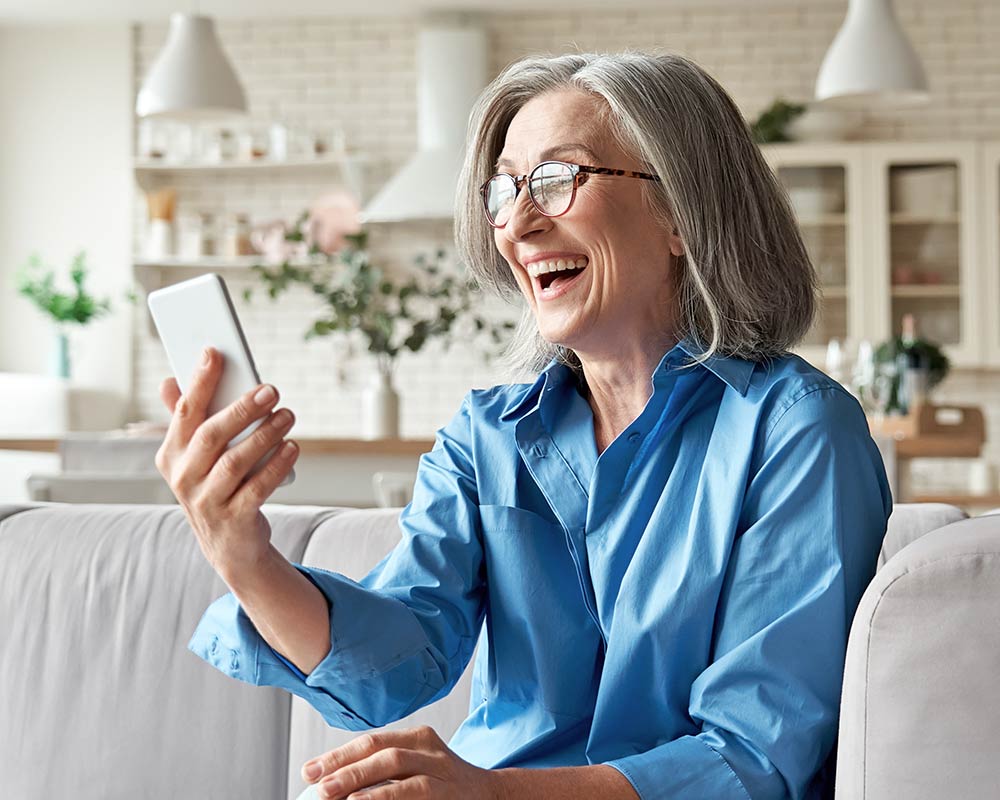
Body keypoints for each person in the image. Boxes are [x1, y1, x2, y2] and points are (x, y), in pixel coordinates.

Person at [156, 52, 892, 800]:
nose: (517, 221)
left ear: (681, 211)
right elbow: (391, 668)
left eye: (555, 179)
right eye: (504, 189)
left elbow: (754, 759)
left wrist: (488, 794)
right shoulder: (486, 438)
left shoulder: (797, 432)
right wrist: (243, 554)